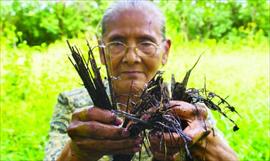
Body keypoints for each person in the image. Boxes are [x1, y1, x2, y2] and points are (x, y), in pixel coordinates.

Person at [44, 1, 238, 161]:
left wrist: (204, 142)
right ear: (101, 51)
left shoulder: (186, 109)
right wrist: (77, 153)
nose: (131, 57)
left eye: (146, 43)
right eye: (117, 43)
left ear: (165, 51)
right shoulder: (73, 104)